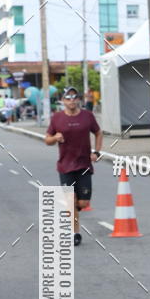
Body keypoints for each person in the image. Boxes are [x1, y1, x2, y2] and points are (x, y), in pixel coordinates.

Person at [44, 86, 103, 246]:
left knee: (82, 203)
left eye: (74, 97)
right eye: (67, 98)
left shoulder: (87, 116)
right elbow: (47, 140)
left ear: (78, 100)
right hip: (65, 166)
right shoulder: (57, 118)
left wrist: (97, 152)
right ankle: (75, 233)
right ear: (63, 101)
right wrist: (55, 137)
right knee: (71, 201)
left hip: (84, 165)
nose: (71, 100)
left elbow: (98, 133)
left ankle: (74, 211)